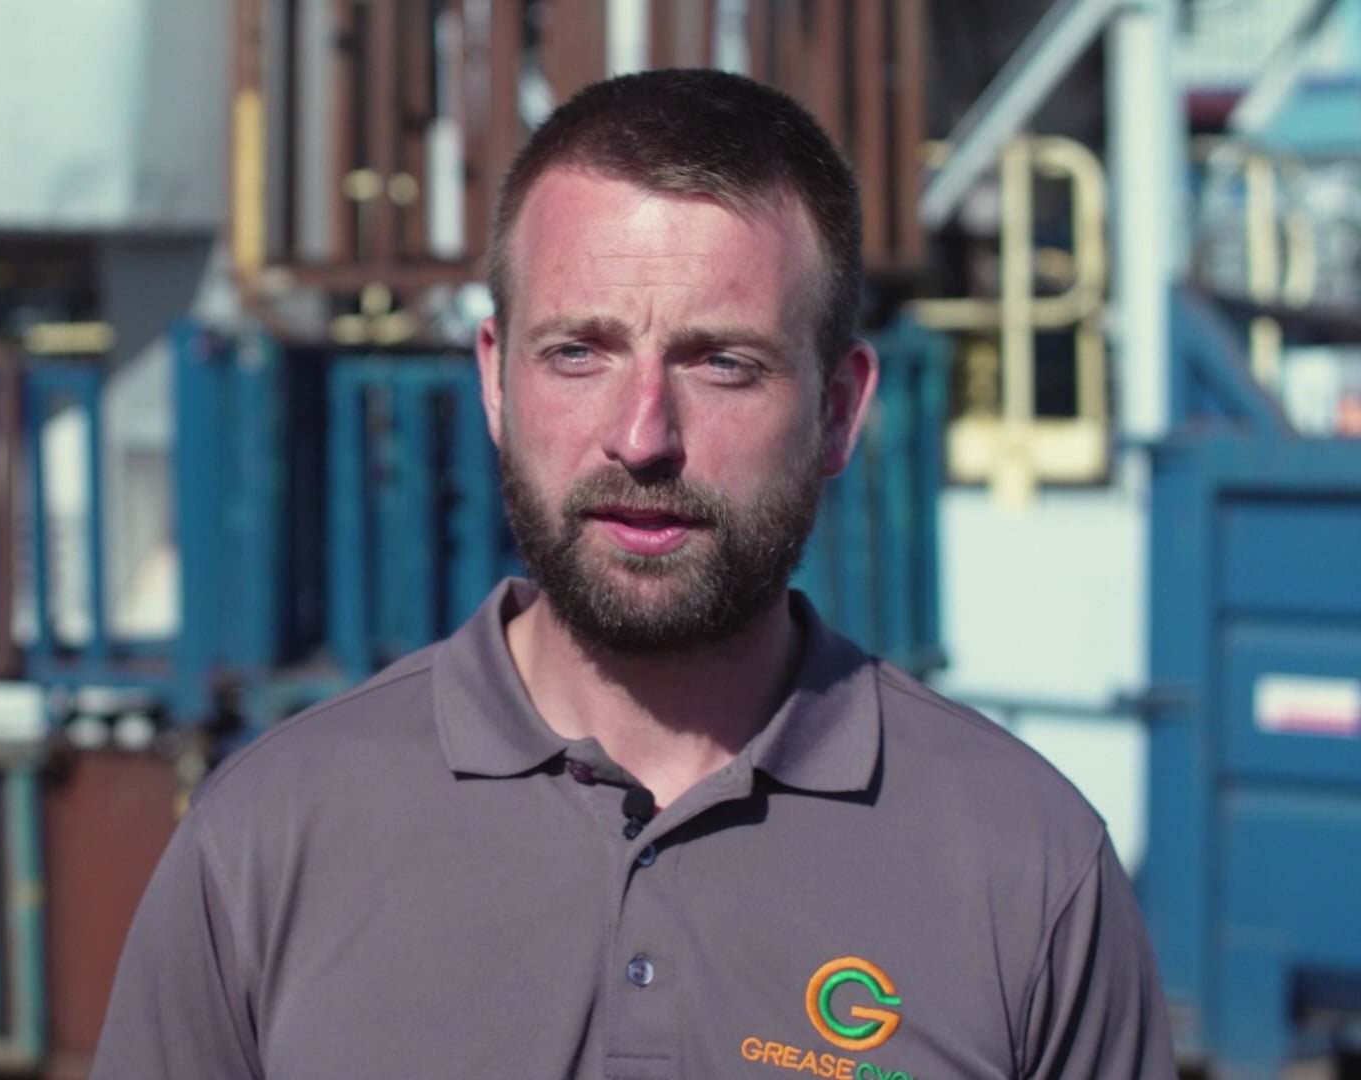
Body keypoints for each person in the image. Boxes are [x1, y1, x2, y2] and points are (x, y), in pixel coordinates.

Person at [96, 69, 1173, 1079]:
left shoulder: (1028, 870)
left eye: (723, 363)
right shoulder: (266, 841)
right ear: (496, 381)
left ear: (840, 410)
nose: (642, 436)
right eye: (578, 352)